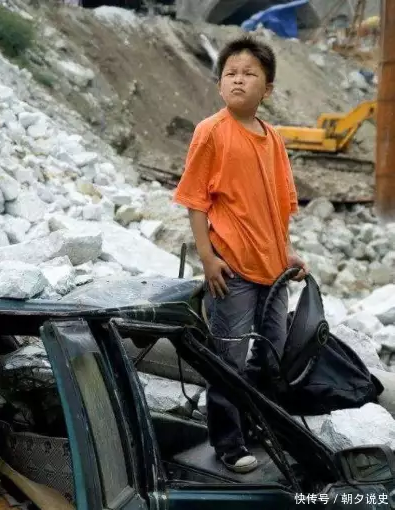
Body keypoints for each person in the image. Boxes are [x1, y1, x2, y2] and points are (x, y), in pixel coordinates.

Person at [172, 35, 308, 474]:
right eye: (231, 73)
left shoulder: (274, 141)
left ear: (267, 89)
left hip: (273, 273)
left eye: (249, 74)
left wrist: (287, 254)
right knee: (227, 358)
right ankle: (228, 443)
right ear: (219, 84)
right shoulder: (211, 132)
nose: (238, 80)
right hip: (232, 271)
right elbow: (195, 200)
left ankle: (258, 427)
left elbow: (279, 208)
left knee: (271, 356)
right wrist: (208, 258)